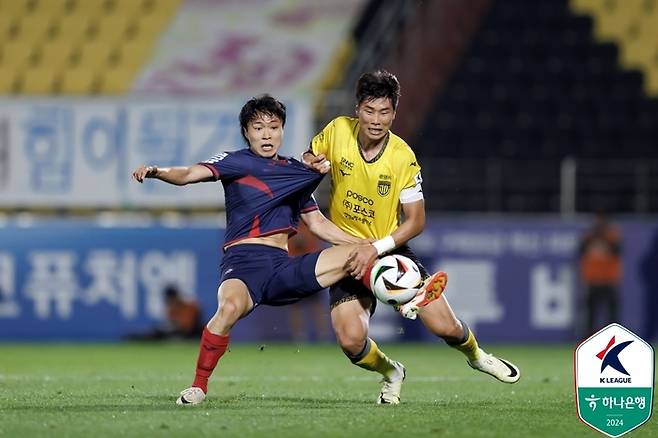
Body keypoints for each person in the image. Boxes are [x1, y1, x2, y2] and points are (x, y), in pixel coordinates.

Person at [131, 94, 447, 406]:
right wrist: (159, 171)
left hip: (283, 268)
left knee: (360, 253)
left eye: (273, 127)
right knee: (227, 310)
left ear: (282, 130)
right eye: (258, 128)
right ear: (246, 133)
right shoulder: (235, 162)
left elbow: (320, 226)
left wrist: (366, 246)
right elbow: (187, 174)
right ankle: (199, 386)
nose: (266, 135)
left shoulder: (296, 174)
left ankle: (405, 296)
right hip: (243, 266)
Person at [302, 70, 520, 405]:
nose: (377, 120)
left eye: (385, 112)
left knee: (447, 328)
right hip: (345, 254)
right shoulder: (336, 131)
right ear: (357, 108)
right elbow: (309, 157)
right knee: (350, 340)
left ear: (394, 113)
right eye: (370, 111)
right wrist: (311, 163)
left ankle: (477, 356)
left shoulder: (402, 157)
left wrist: (375, 248)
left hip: (388, 252)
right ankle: (391, 372)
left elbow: (416, 221)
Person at [578, 212, 622, 336]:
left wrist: (602, 239)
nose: (599, 223)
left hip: (608, 281)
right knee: (590, 316)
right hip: (593, 281)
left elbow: (617, 251)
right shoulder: (589, 237)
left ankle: (613, 340)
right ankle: (588, 340)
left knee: (612, 316)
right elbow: (580, 251)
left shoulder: (612, 236)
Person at [124, 285, 204, 341]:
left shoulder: (190, 306)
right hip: (177, 333)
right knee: (156, 332)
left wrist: (175, 326)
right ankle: (134, 337)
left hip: (191, 333)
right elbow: (171, 324)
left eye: (172, 300)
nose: (170, 303)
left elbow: (188, 326)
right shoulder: (171, 309)